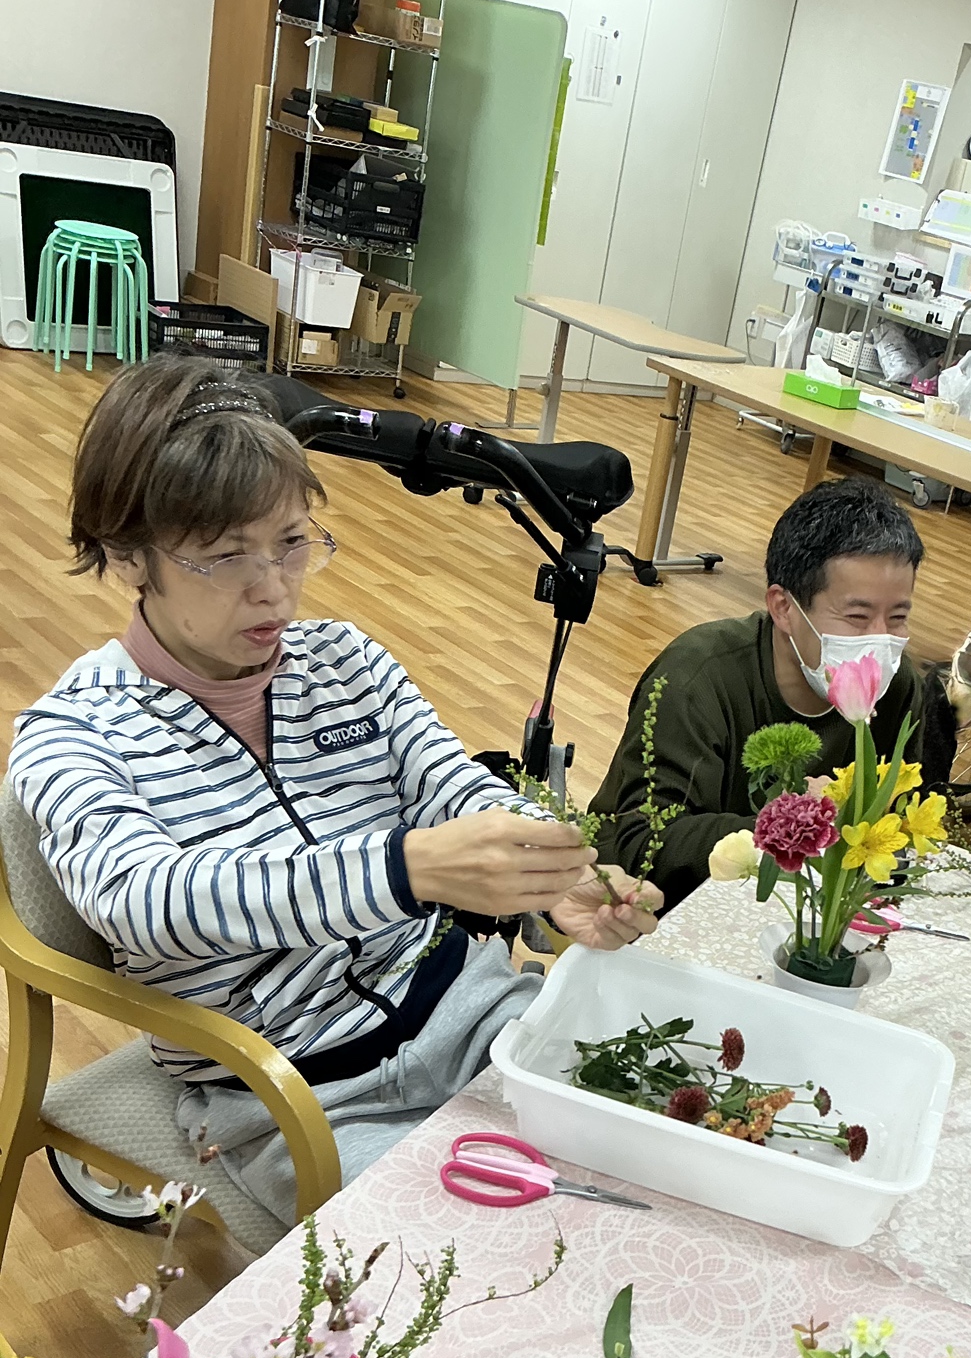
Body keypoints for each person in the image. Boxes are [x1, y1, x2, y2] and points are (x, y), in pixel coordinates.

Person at [7, 356, 659, 1228]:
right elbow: (144, 901)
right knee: (470, 1258)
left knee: (661, 1163)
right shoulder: (76, 732)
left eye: (291, 541)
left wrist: (551, 874)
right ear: (127, 556)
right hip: (294, 1098)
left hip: (474, 1018)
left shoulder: (344, 660)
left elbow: (450, 785)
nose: (272, 586)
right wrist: (402, 870)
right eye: (224, 557)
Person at [590, 476, 923, 909]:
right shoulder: (696, 678)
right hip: (648, 907)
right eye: (857, 617)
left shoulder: (897, 685)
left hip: (814, 912)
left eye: (897, 618)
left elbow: (904, 832)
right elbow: (644, 845)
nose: (878, 641)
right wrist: (792, 825)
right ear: (784, 607)